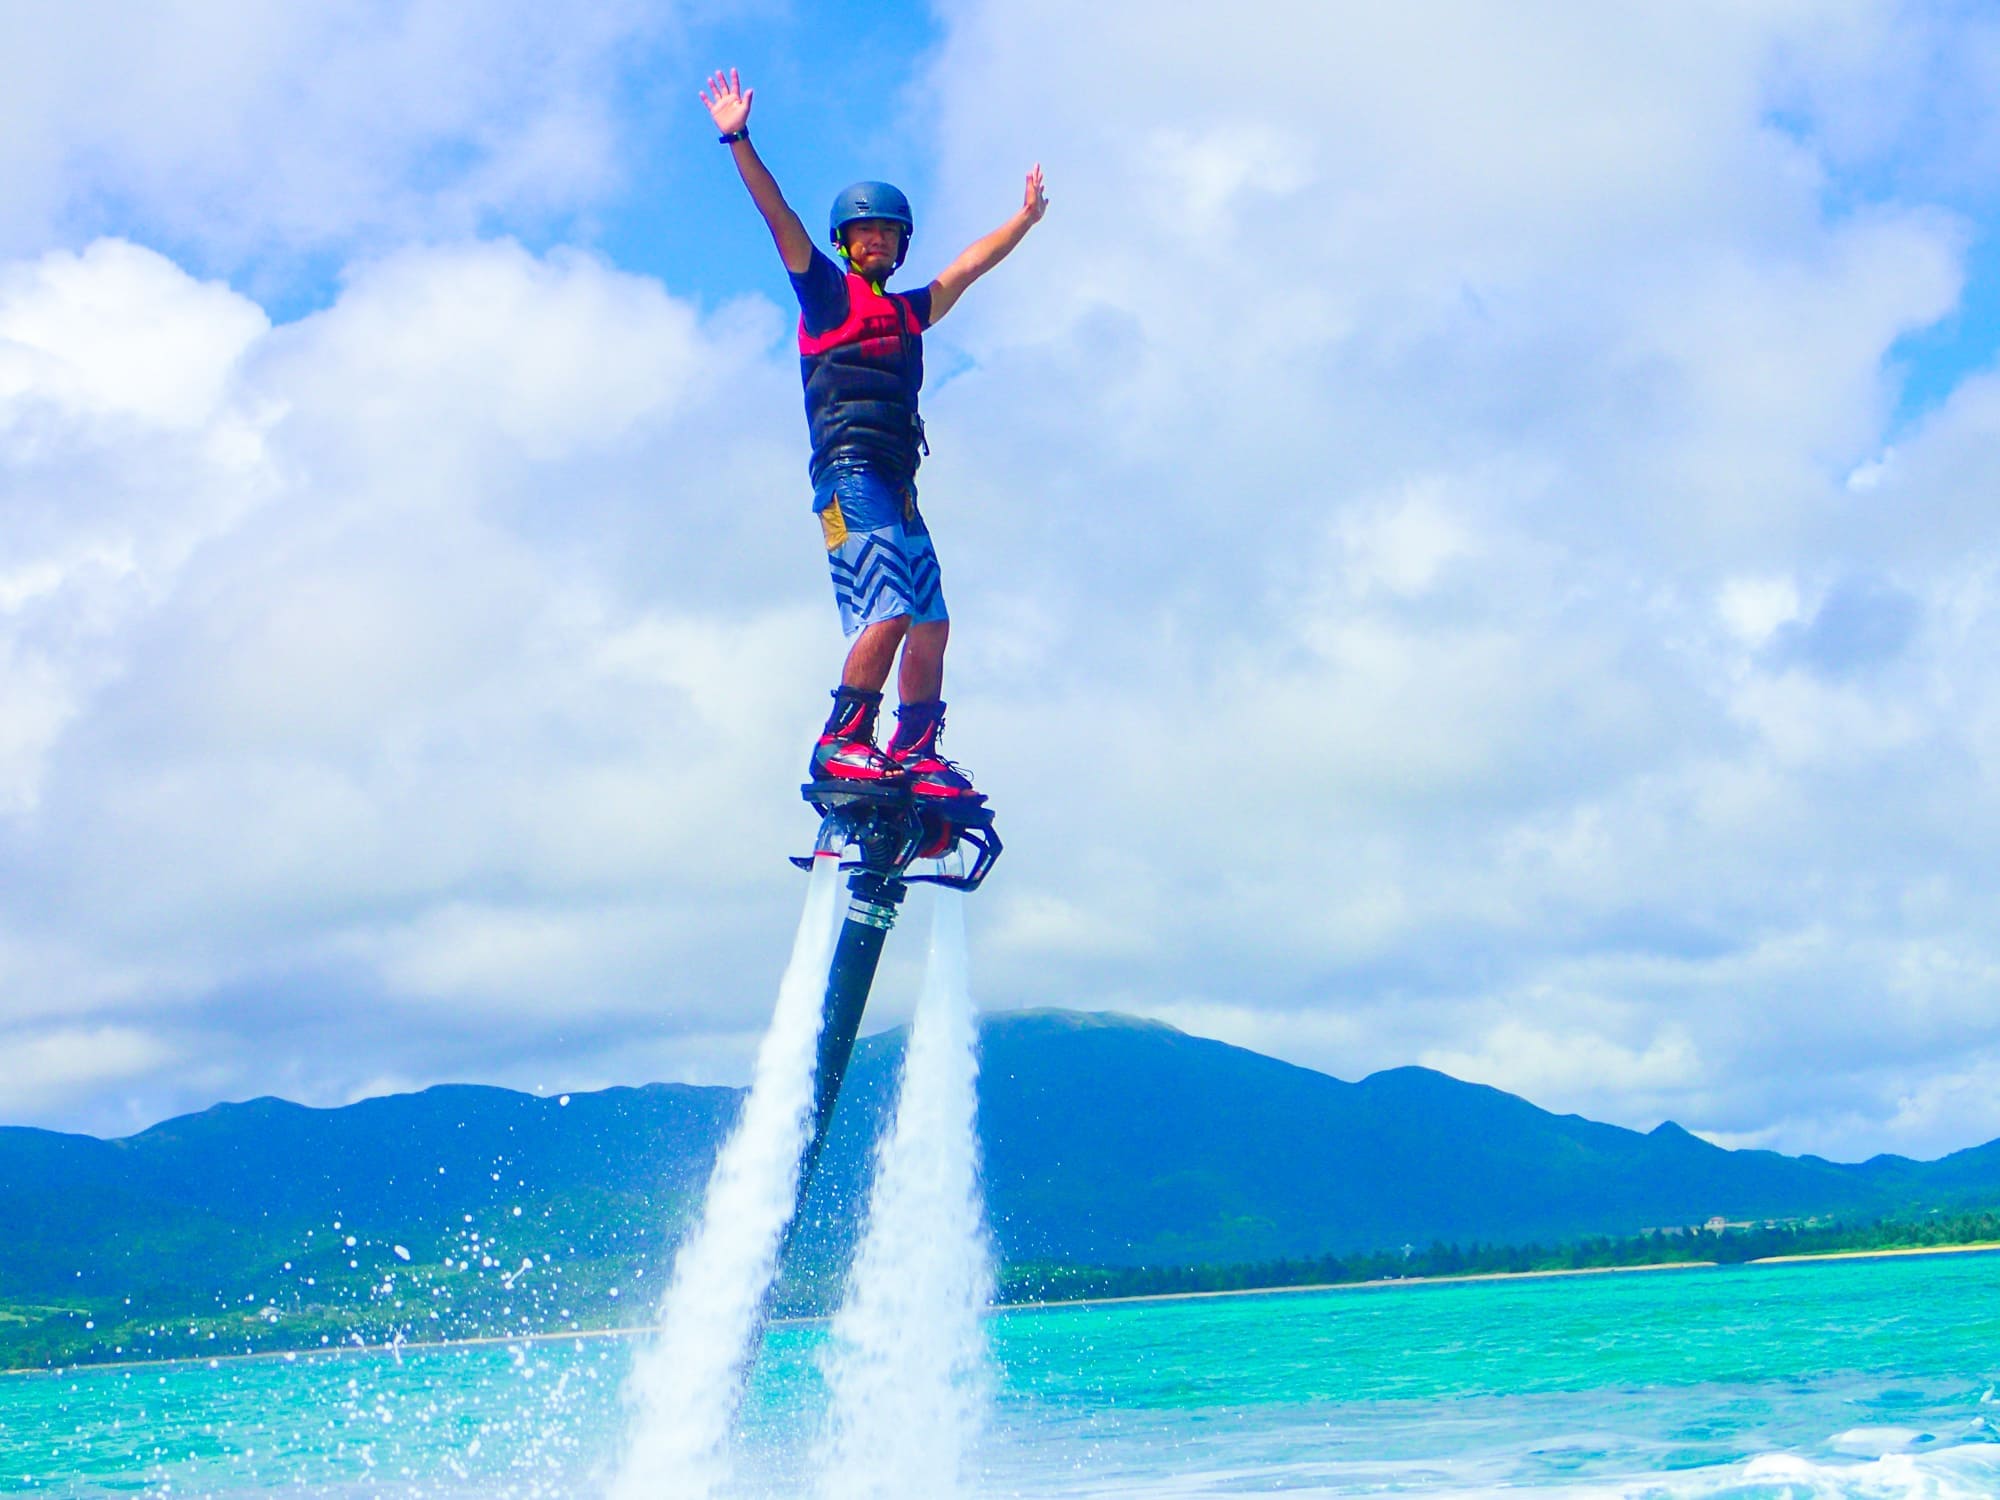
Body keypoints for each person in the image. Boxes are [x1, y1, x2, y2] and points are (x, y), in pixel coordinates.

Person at [700, 68, 1047, 802]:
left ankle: (914, 750)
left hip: (897, 482)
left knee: (932, 621)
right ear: (846, 242)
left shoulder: (911, 312)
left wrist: (1022, 223)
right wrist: (738, 139)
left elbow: (970, 266)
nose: (880, 242)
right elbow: (778, 215)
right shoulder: (825, 293)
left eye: (890, 233)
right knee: (887, 607)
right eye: (867, 232)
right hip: (846, 478)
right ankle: (842, 744)